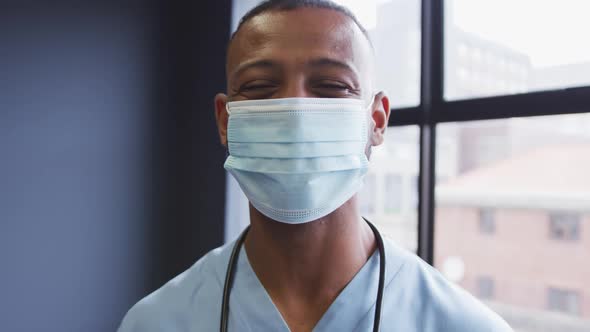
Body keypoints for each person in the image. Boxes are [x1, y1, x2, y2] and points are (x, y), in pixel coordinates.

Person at [118, 1, 513, 331]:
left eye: (332, 86)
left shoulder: (464, 325)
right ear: (225, 120)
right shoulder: (156, 322)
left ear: (376, 121)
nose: (297, 113)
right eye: (258, 87)